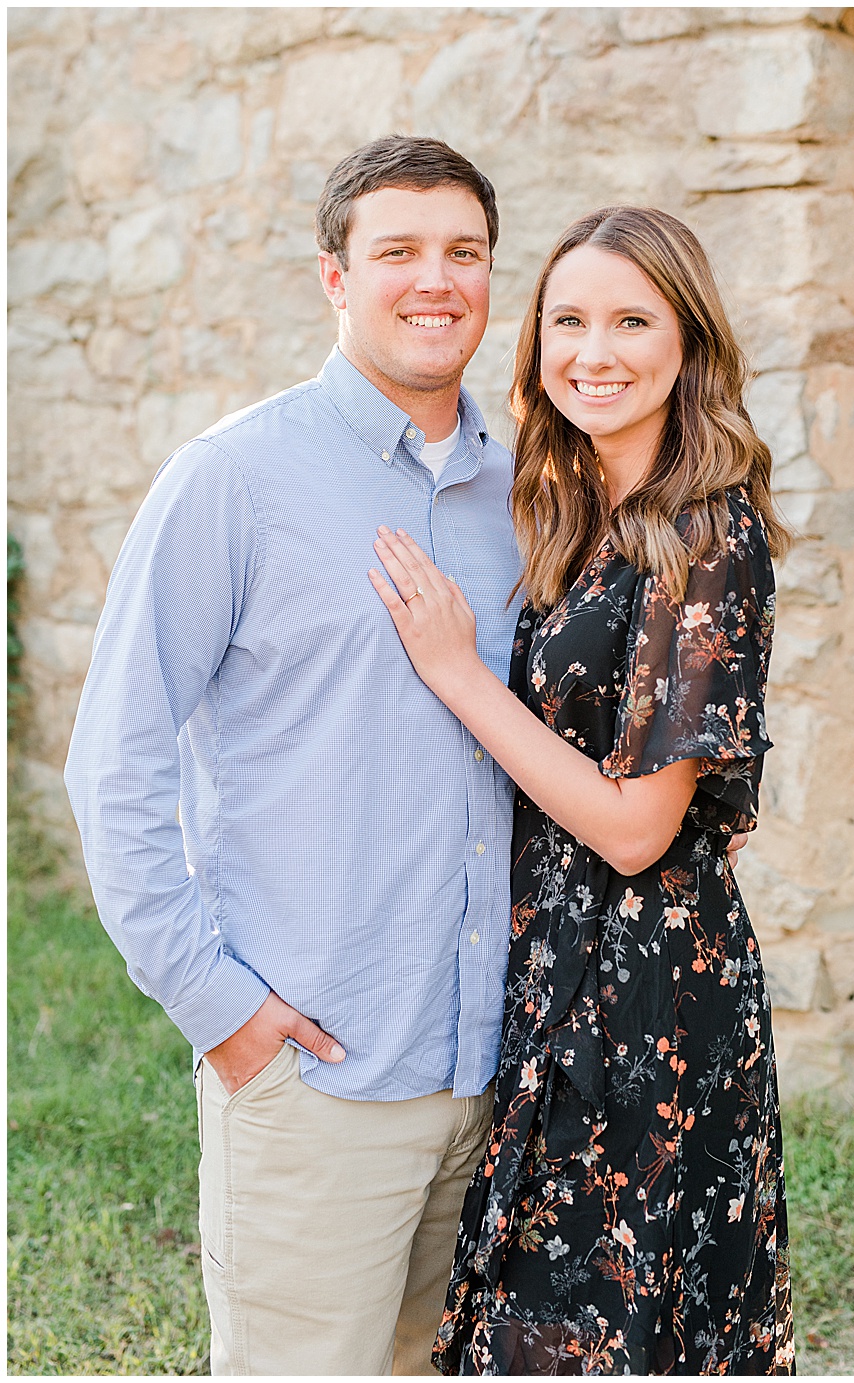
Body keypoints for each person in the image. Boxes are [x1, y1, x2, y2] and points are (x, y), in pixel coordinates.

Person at [64, 136, 523, 1373]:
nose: (437, 280)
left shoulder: (528, 490)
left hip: (494, 1075)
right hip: (316, 1076)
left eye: (464, 253)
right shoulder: (235, 479)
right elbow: (115, 759)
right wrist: (218, 1009)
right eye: (399, 253)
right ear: (334, 277)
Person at [367, 206, 795, 1374]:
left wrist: (457, 673)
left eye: (630, 321)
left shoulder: (708, 533)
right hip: (554, 964)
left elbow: (633, 828)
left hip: (646, 988)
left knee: (596, 1330)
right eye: (568, 320)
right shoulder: (570, 513)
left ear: (687, 340)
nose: (593, 352)